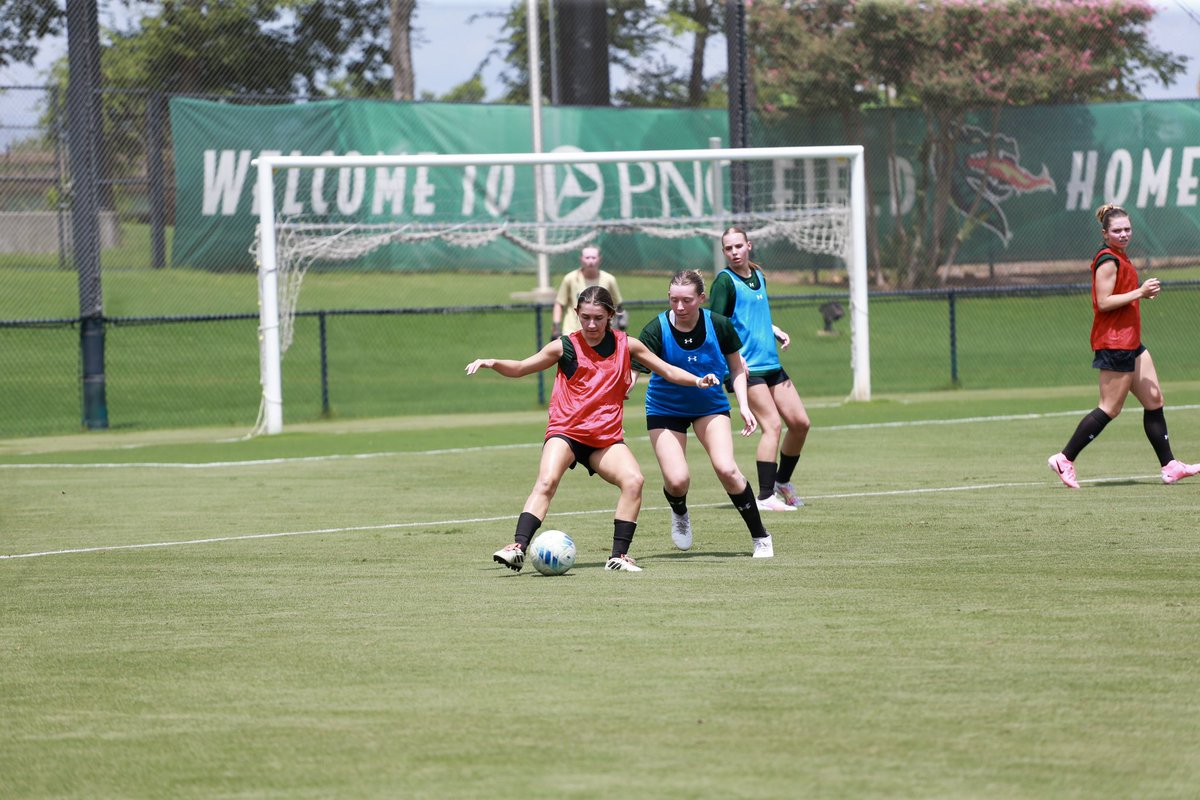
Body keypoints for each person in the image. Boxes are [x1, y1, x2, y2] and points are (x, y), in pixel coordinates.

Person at [466, 285, 720, 573]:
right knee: (547, 481)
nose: (590, 324)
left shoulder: (628, 345)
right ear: (576, 313)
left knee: (634, 480)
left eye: (598, 318)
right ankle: (518, 547)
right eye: (585, 317)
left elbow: (668, 370)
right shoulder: (564, 346)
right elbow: (522, 367)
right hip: (567, 432)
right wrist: (493, 362)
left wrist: (697, 380)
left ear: (610, 315)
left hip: (604, 439)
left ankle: (618, 556)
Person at [1048, 203, 1199, 488]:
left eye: (1127, 229)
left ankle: (1170, 466)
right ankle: (1064, 459)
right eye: (1117, 230)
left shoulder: (1121, 256)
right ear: (1105, 234)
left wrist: (1140, 294)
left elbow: (1121, 296)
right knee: (1109, 408)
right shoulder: (1108, 259)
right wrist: (1140, 292)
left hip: (1130, 341)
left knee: (1154, 401)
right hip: (1114, 343)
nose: (1124, 234)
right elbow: (1103, 302)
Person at [636, 269, 775, 558]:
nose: (679, 307)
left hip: (710, 406)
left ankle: (761, 536)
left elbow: (737, 368)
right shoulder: (655, 329)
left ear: (701, 298)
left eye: (687, 300)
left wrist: (744, 406)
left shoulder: (719, 325)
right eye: (674, 300)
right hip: (665, 407)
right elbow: (633, 371)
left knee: (727, 469)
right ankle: (680, 512)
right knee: (677, 481)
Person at [709, 226, 811, 513]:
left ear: (749, 245)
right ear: (724, 251)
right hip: (747, 369)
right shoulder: (724, 282)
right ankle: (765, 496)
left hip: (770, 363)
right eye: (728, 248)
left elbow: (753, 316)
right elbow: (716, 325)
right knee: (772, 426)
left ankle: (782, 482)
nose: (734, 252)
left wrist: (773, 329)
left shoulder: (758, 276)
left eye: (738, 246)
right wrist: (734, 358)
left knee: (800, 423)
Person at [552, 245, 627, 337]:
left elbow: (618, 305)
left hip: (600, 332)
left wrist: (619, 323)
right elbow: (559, 303)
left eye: (593, 257)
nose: (590, 261)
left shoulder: (609, 280)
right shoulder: (570, 279)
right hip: (572, 331)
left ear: (599, 259)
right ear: (581, 259)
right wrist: (556, 326)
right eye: (587, 258)